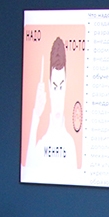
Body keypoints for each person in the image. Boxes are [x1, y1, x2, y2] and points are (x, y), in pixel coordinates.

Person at [23, 36, 80, 182]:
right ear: (48, 87)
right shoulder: (41, 143)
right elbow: (27, 169)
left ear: (66, 86)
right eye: (54, 87)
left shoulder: (70, 144)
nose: (58, 94)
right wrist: (35, 115)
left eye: (61, 86)